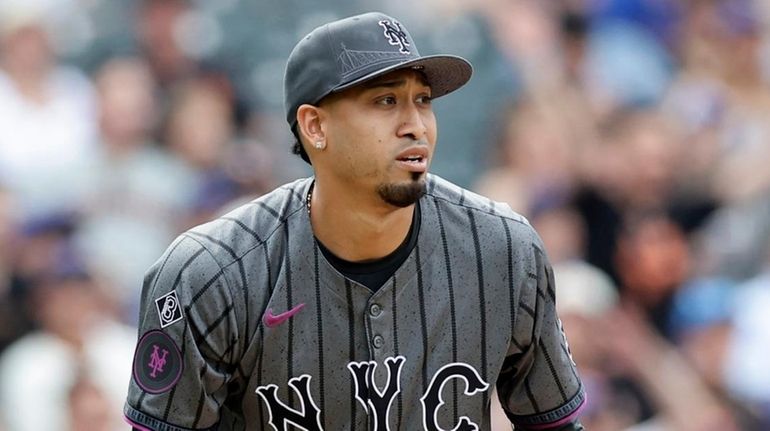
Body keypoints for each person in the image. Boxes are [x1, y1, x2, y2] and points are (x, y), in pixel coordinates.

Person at [124, 12, 585, 430]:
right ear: (315, 127)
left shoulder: (504, 250)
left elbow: (555, 426)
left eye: (422, 101)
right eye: (386, 101)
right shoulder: (211, 274)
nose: (416, 125)